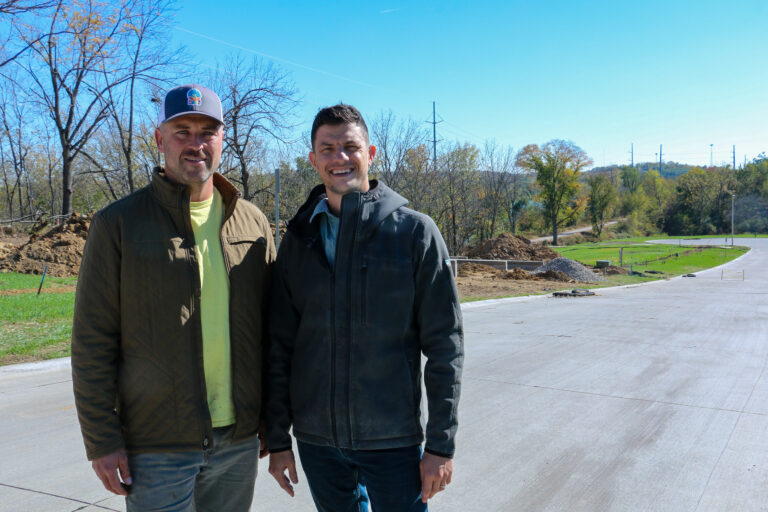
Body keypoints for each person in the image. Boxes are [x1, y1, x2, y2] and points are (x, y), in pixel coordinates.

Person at [71, 84, 275, 511]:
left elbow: (273, 333)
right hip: (155, 446)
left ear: (223, 140)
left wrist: (273, 420)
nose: (195, 143)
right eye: (182, 130)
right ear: (159, 138)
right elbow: (92, 341)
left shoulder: (252, 221)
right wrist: (102, 441)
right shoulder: (119, 224)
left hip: (237, 441)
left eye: (207, 131)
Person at [267, 104, 464, 511]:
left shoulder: (414, 233)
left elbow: (446, 346)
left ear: (370, 154)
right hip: (318, 443)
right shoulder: (298, 240)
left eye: (350, 147)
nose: (339, 158)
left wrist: (441, 446)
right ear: (313, 160)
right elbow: (279, 345)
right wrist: (278, 438)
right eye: (327, 149)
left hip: (393, 440)